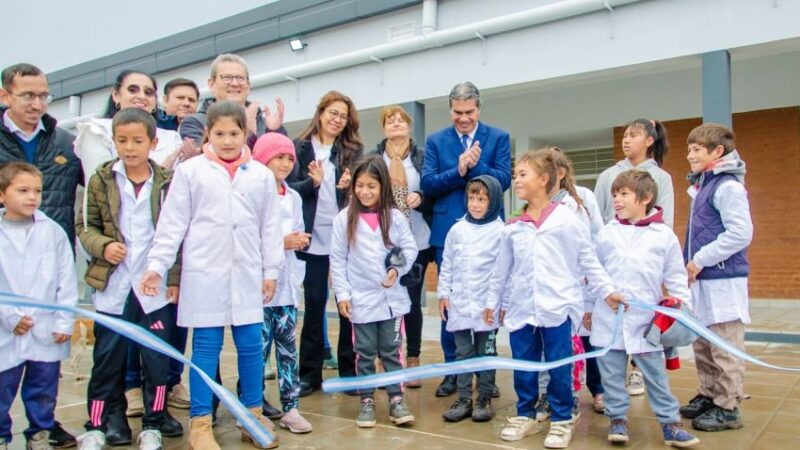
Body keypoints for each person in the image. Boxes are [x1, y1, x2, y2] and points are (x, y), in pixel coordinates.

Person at [139, 101, 283, 450]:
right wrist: (157, 266)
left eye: (234, 133)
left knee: (251, 347)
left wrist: (271, 271)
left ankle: (252, 416)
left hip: (248, 275)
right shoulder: (191, 172)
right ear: (209, 134)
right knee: (206, 349)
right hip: (205, 276)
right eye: (219, 133)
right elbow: (172, 224)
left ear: (244, 133)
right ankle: (200, 423)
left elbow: (270, 228)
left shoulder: (261, 175)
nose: (228, 140)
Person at [483, 149, 621, 449]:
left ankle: (561, 418)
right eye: (515, 174)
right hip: (521, 308)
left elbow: (588, 260)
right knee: (524, 363)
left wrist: (607, 291)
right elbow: (501, 269)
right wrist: (493, 302)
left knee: (560, 364)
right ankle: (525, 414)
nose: (516, 180)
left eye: (523, 174)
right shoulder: (513, 225)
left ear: (544, 179)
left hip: (557, 307)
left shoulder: (567, 219)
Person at [75, 109, 184, 450]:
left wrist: (176, 278)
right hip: (114, 283)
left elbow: (179, 234)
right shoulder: (101, 179)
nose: (130, 148)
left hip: (155, 287)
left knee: (156, 359)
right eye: (122, 141)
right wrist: (104, 247)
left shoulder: (168, 182)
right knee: (108, 357)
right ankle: (101, 420)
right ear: (114, 143)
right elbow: (85, 227)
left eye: (138, 141)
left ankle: (152, 422)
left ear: (153, 142)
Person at [589, 169, 700, 447]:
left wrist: (681, 307)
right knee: (612, 376)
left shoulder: (662, 235)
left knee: (656, 376)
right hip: (609, 318)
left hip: (646, 323)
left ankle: (670, 423)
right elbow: (593, 272)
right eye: (614, 194)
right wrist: (593, 304)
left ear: (646, 197)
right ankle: (617, 419)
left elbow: (675, 276)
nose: (616, 199)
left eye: (624, 193)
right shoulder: (606, 234)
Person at [421, 81, 511, 397]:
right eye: (457, 112)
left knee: (489, 300)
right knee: (452, 307)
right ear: (450, 110)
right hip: (450, 233)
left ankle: (485, 375)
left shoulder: (498, 137)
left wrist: (477, 165)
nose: (463, 118)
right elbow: (428, 183)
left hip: (489, 234)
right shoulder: (435, 141)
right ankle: (453, 374)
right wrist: (458, 171)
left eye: (469, 112)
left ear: (478, 109)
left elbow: (504, 180)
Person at [329, 155, 417, 429]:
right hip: (361, 299)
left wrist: (395, 269)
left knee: (392, 350)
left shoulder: (395, 217)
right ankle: (366, 401)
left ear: (383, 187)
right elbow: (337, 259)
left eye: (372, 186)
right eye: (360, 185)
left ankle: (396, 400)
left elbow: (409, 248)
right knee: (364, 351)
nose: (365, 192)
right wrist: (343, 294)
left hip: (391, 301)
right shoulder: (344, 219)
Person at [287, 91, 363, 397]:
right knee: (315, 305)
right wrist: (313, 184)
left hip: (344, 237)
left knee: (347, 305)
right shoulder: (299, 147)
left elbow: (365, 187)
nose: (336, 119)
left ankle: (349, 371)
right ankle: (309, 374)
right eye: (332, 113)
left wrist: (349, 188)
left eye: (343, 116)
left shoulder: (352, 149)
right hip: (311, 239)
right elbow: (288, 187)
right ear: (320, 113)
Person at [679, 123, 752, 432]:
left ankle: (728, 405)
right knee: (704, 343)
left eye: (697, 149)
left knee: (724, 343)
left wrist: (700, 260)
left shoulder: (728, 187)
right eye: (689, 148)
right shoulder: (704, 186)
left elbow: (741, 233)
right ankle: (710, 394)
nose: (689, 155)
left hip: (722, 279)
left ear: (717, 151)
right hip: (703, 279)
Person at [593, 118, 674, 396]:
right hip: (613, 254)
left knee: (643, 317)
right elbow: (598, 217)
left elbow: (666, 221)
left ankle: (638, 371)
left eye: (634, 135)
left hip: (645, 258)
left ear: (649, 141)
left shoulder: (661, 178)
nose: (626, 140)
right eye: (624, 135)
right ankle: (615, 382)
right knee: (615, 316)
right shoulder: (608, 176)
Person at [0, 162, 77, 450]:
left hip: (45, 328)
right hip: (6, 329)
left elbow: (66, 279)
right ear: (2, 194)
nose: (32, 197)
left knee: (43, 387)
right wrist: (8, 317)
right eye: (22, 190)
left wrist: (63, 321)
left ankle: (40, 433)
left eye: (37, 191)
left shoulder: (52, 232)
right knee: (2, 386)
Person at [368, 105, 433, 387]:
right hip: (384, 241)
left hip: (418, 239)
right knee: (385, 302)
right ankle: (386, 360)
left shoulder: (423, 156)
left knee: (412, 301)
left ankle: (414, 359)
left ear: (409, 126)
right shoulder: (374, 157)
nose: (395, 124)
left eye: (400, 120)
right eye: (389, 121)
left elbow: (434, 186)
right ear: (384, 128)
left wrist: (421, 195)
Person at [252, 133, 313, 433]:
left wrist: (298, 241)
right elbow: (247, 237)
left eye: (290, 158)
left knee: (288, 350)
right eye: (279, 157)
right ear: (262, 159)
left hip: (287, 289)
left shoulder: (294, 196)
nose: (286, 163)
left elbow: (297, 230)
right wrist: (282, 241)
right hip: (260, 289)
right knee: (256, 350)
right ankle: (251, 403)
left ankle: (291, 407)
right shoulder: (251, 192)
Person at [438, 176, 503, 423]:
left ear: (493, 201)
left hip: (487, 306)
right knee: (463, 352)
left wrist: (499, 303)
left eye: (482, 199)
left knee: (486, 351)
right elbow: (448, 265)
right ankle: (464, 397)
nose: (475, 204)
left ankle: (484, 397)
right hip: (461, 304)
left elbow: (503, 272)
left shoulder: (500, 231)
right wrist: (443, 293)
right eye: (472, 198)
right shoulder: (457, 229)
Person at [0, 63, 82, 251]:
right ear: (5, 96)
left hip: (53, 251)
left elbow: (101, 188)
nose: (37, 105)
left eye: (43, 96)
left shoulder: (68, 143)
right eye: (28, 96)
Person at [178, 53, 286, 156]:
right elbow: (207, 164)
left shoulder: (265, 122)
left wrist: (273, 131)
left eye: (240, 78)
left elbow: (290, 170)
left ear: (248, 85)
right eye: (227, 78)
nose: (234, 84)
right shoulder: (194, 123)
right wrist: (249, 133)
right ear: (211, 84)